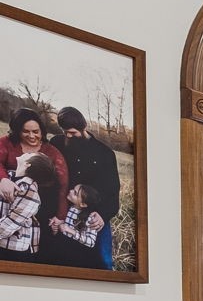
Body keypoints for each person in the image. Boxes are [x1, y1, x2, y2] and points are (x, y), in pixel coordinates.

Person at [54, 107, 118, 243]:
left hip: (93, 213)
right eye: (65, 132)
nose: (69, 136)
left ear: (84, 127)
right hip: (63, 209)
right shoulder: (57, 143)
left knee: (103, 260)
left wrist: (103, 214)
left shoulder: (105, 153)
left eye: (72, 132)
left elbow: (112, 190)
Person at [2, 110, 66, 238]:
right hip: (5, 204)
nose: (31, 136)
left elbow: (63, 185)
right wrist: (3, 179)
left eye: (36, 132)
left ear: (42, 131)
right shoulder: (6, 143)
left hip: (36, 208)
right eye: (26, 131)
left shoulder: (52, 152)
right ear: (17, 130)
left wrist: (60, 216)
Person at [44, 182, 107, 268]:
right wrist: (58, 226)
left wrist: (70, 231)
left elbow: (91, 242)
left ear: (83, 204)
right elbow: (66, 227)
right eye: (73, 189)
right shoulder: (70, 209)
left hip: (77, 254)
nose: (70, 191)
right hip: (64, 248)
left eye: (75, 193)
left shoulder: (90, 218)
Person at [0, 172, 38, 257]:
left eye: (22, 157)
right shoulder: (8, 176)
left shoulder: (27, 188)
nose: (17, 158)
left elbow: (12, 222)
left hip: (11, 247)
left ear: (27, 164)